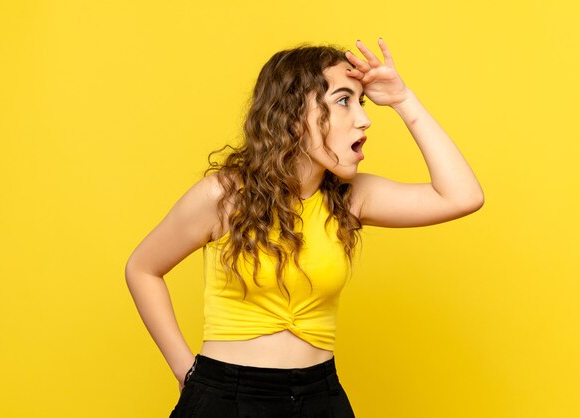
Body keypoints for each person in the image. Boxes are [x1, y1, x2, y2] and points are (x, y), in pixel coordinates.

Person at [125, 38, 484, 417]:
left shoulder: (349, 198)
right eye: (344, 100)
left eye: (360, 103)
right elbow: (143, 268)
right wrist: (187, 372)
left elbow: (462, 196)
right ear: (294, 115)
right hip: (226, 398)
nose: (364, 119)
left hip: (319, 397)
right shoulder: (225, 195)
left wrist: (402, 99)